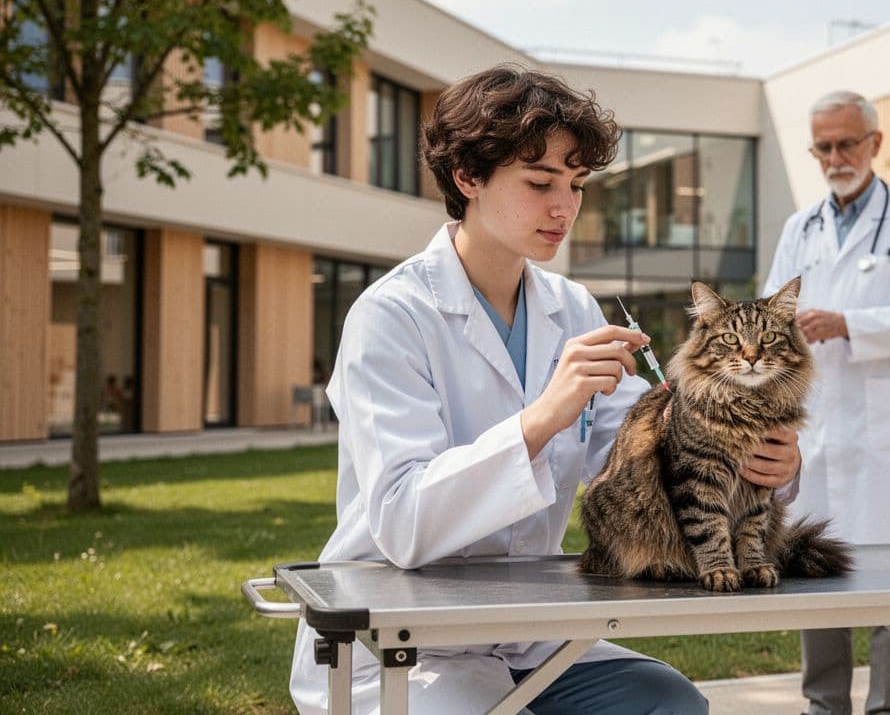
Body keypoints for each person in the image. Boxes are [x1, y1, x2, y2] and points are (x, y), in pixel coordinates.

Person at [289, 65, 802, 715]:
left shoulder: (573, 307)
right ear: (466, 178)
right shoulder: (391, 317)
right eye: (539, 183)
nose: (565, 207)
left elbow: (634, 462)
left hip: (524, 631)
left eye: (577, 184)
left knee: (669, 703)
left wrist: (756, 460)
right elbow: (403, 523)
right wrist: (542, 419)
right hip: (400, 639)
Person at [762, 90, 890, 715]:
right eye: (824, 146)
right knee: (815, 571)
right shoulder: (800, 227)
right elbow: (768, 316)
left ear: (875, 143)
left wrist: (848, 323)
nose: (836, 156)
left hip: (884, 440)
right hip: (814, 429)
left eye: (848, 143)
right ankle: (824, 707)